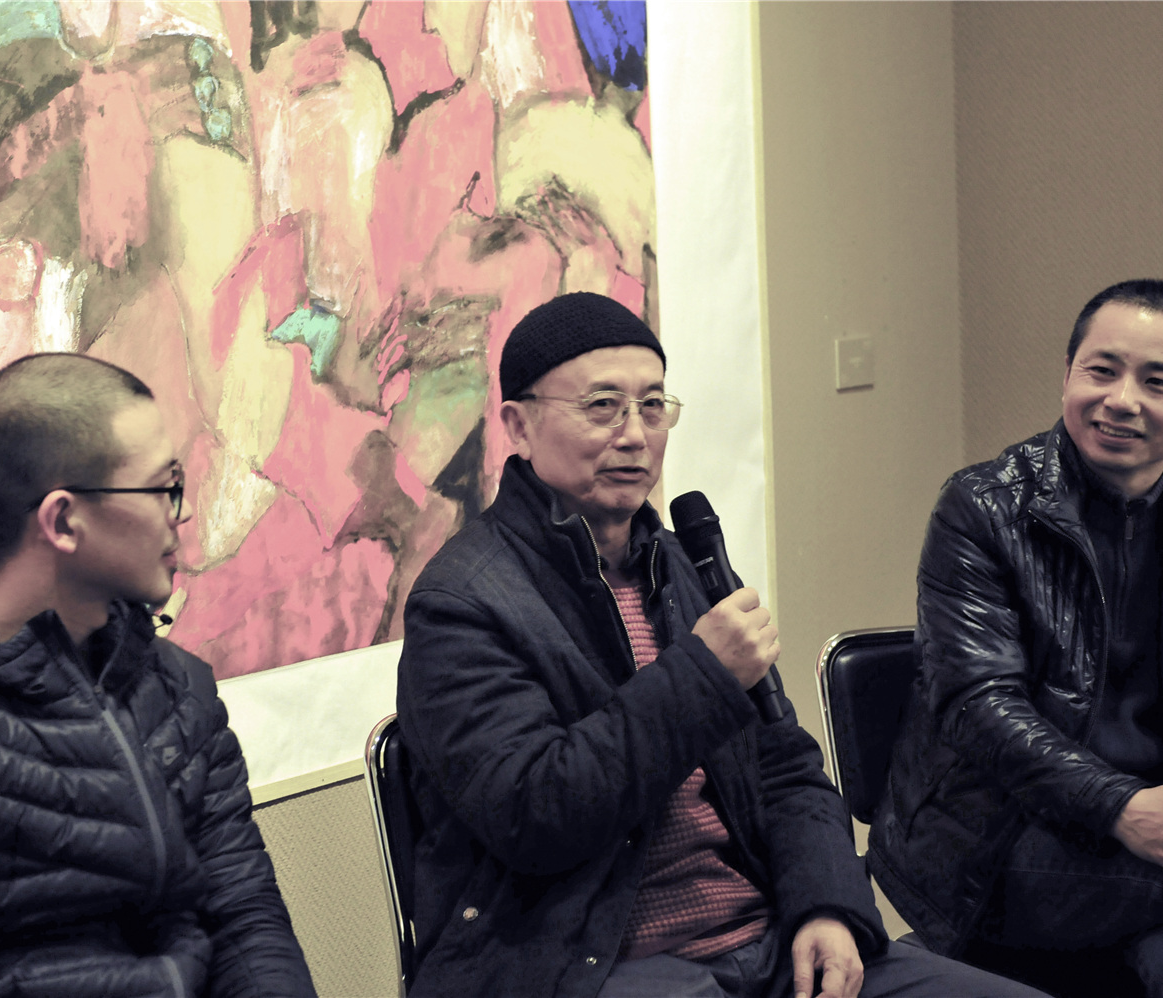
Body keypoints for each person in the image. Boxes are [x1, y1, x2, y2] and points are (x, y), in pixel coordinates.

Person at [395, 292, 1046, 998]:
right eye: (603, 406)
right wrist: (702, 674)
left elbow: (786, 766)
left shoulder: (681, 565)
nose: (635, 435)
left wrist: (827, 906)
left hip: (767, 942)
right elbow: (536, 815)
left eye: (653, 406)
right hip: (586, 966)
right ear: (518, 425)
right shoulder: (461, 602)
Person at [0, 354, 316, 998]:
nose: (182, 512)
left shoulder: (178, 688)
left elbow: (244, 918)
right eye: (163, 488)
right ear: (64, 521)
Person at [870, 279, 1163, 996]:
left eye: (1157, 382)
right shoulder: (982, 508)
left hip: (1155, 830)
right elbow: (977, 705)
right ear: (1067, 375)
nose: (1121, 399)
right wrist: (1122, 808)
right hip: (995, 842)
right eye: (1101, 370)